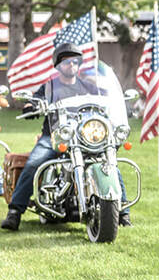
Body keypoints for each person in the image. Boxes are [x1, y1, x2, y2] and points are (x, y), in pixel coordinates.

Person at [1, 43, 132, 231]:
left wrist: (121, 105)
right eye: (66, 62)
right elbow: (34, 101)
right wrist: (31, 107)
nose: (71, 65)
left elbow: (107, 100)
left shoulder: (88, 87)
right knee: (34, 164)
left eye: (75, 62)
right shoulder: (49, 87)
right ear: (58, 65)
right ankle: (14, 212)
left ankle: (122, 212)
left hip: (84, 136)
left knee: (108, 163)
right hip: (55, 136)